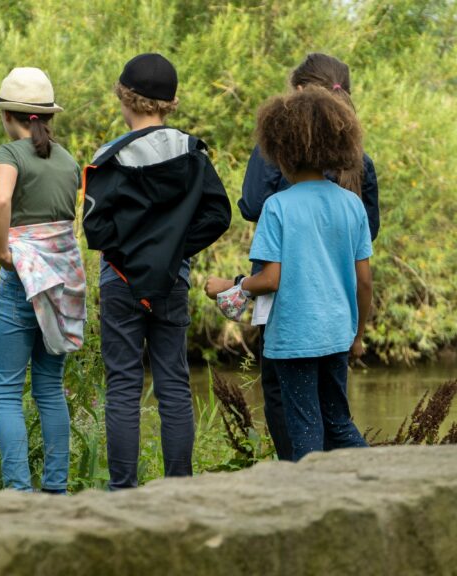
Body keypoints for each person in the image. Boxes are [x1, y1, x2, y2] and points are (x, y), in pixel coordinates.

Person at [83, 54, 231, 489]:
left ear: (125, 97)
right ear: (170, 102)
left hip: (120, 282)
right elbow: (218, 214)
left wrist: (133, 252)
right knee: (174, 385)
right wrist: (172, 250)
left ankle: (124, 491)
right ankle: (178, 489)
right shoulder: (192, 152)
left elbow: (96, 229)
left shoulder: (107, 157)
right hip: (172, 281)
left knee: (125, 386)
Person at [207, 85, 373, 461]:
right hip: (337, 333)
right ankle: (380, 482)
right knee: (339, 422)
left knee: (305, 432)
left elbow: (270, 280)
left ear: (279, 149)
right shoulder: (352, 204)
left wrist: (228, 287)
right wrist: (358, 334)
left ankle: (311, 508)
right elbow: (364, 281)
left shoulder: (277, 207)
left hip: (294, 338)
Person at [0, 67, 85, 493]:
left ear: (8, 116)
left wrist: (0, 249)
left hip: (23, 281)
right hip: (63, 283)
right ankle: (56, 490)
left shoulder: (9, 154)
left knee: (5, 390)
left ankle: (18, 493)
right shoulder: (68, 161)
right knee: (49, 388)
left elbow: (2, 197)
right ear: (45, 117)